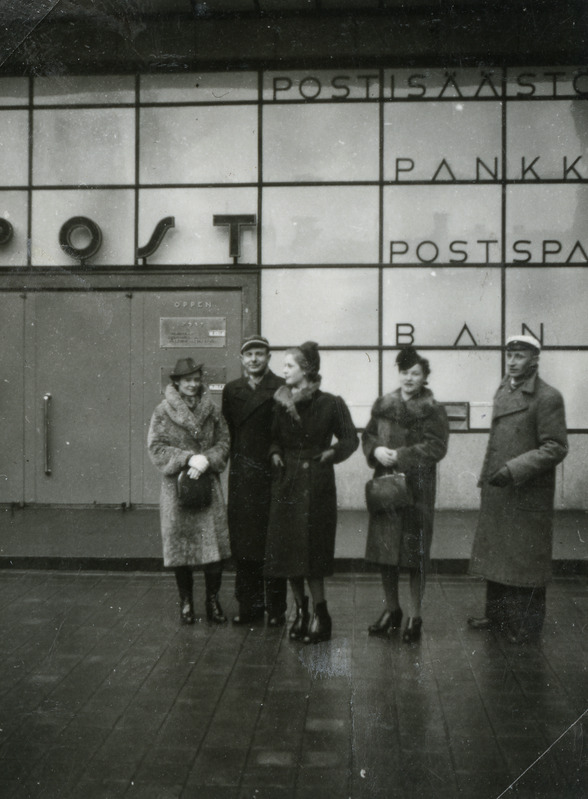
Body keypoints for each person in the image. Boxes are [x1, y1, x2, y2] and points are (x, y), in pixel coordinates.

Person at [467, 334, 568, 643]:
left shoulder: (548, 397)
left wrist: (513, 470)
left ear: (534, 359)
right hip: (499, 489)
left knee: (526, 559)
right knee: (497, 553)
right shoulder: (503, 389)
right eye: (509, 355)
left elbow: (556, 447)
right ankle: (496, 615)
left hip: (525, 490)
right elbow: (495, 441)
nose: (512, 361)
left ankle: (526, 626)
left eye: (519, 356)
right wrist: (486, 477)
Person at [265, 341, 359, 644]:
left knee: (312, 552)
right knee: (289, 551)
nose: (283, 371)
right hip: (287, 481)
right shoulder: (279, 402)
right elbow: (273, 437)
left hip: (316, 484)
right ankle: (301, 612)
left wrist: (331, 454)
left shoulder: (331, 403)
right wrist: (275, 452)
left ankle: (321, 614)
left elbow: (350, 439)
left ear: (306, 370)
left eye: (289, 366)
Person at [362, 347, 449, 643]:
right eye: (404, 372)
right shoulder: (384, 403)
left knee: (415, 556)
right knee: (386, 554)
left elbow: (437, 447)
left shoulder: (433, 408)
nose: (409, 378)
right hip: (386, 488)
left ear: (424, 377)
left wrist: (399, 456)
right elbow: (369, 435)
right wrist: (375, 450)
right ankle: (392, 610)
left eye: (415, 373)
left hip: (417, 492)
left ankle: (415, 616)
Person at [148, 357, 231, 625]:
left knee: (212, 548)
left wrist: (207, 459)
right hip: (177, 488)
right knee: (180, 547)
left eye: (196, 380)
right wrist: (187, 459)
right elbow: (156, 448)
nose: (193, 385)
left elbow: (224, 441)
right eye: (187, 380)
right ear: (177, 383)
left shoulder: (212, 410)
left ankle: (212, 601)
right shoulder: (162, 412)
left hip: (207, 485)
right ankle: (186, 603)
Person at [222, 335, 287, 626]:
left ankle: (276, 609)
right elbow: (227, 433)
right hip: (242, 475)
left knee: (272, 541)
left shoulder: (281, 388)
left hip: (272, 472)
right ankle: (248, 606)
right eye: (249, 355)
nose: (254, 360)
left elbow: (285, 431)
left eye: (259, 354)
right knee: (245, 542)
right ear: (241, 359)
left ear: (268, 357)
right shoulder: (231, 390)